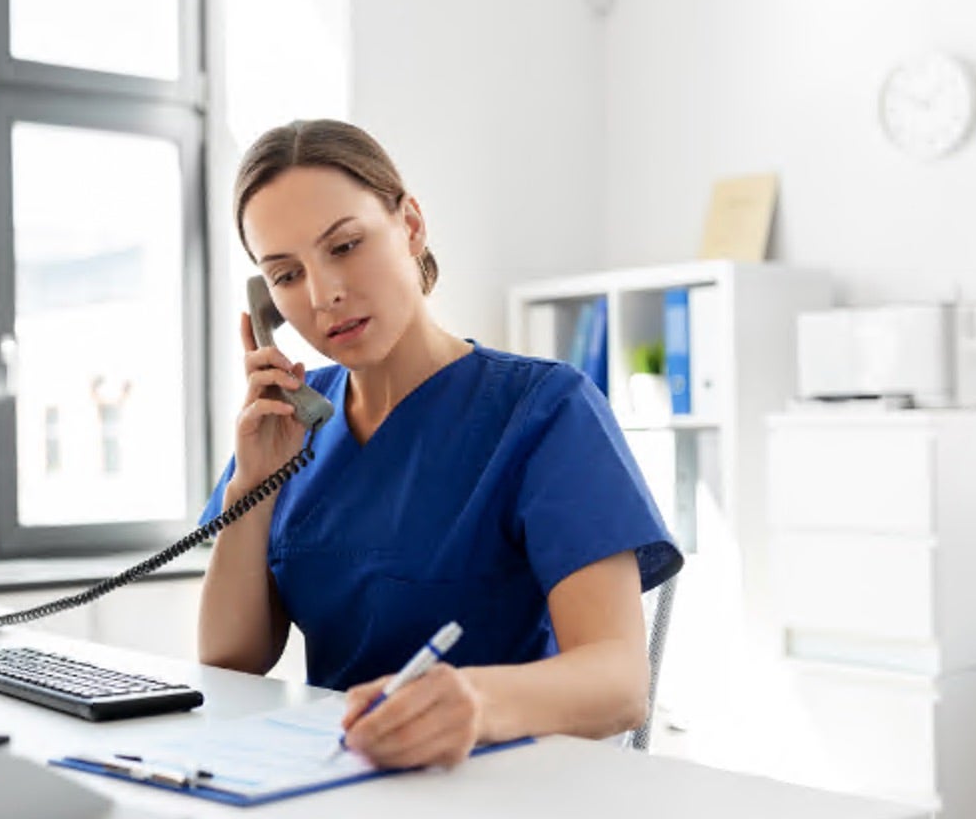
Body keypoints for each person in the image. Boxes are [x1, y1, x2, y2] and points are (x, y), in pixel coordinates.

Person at [196, 119, 683, 771]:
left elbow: (621, 685)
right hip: (332, 784)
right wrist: (252, 487)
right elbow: (231, 661)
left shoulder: (544, 412)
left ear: (412, 225)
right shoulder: (292, 431)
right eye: (285, 275)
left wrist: (473, 702)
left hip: (503, 787)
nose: (324, 295)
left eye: (344, 246)